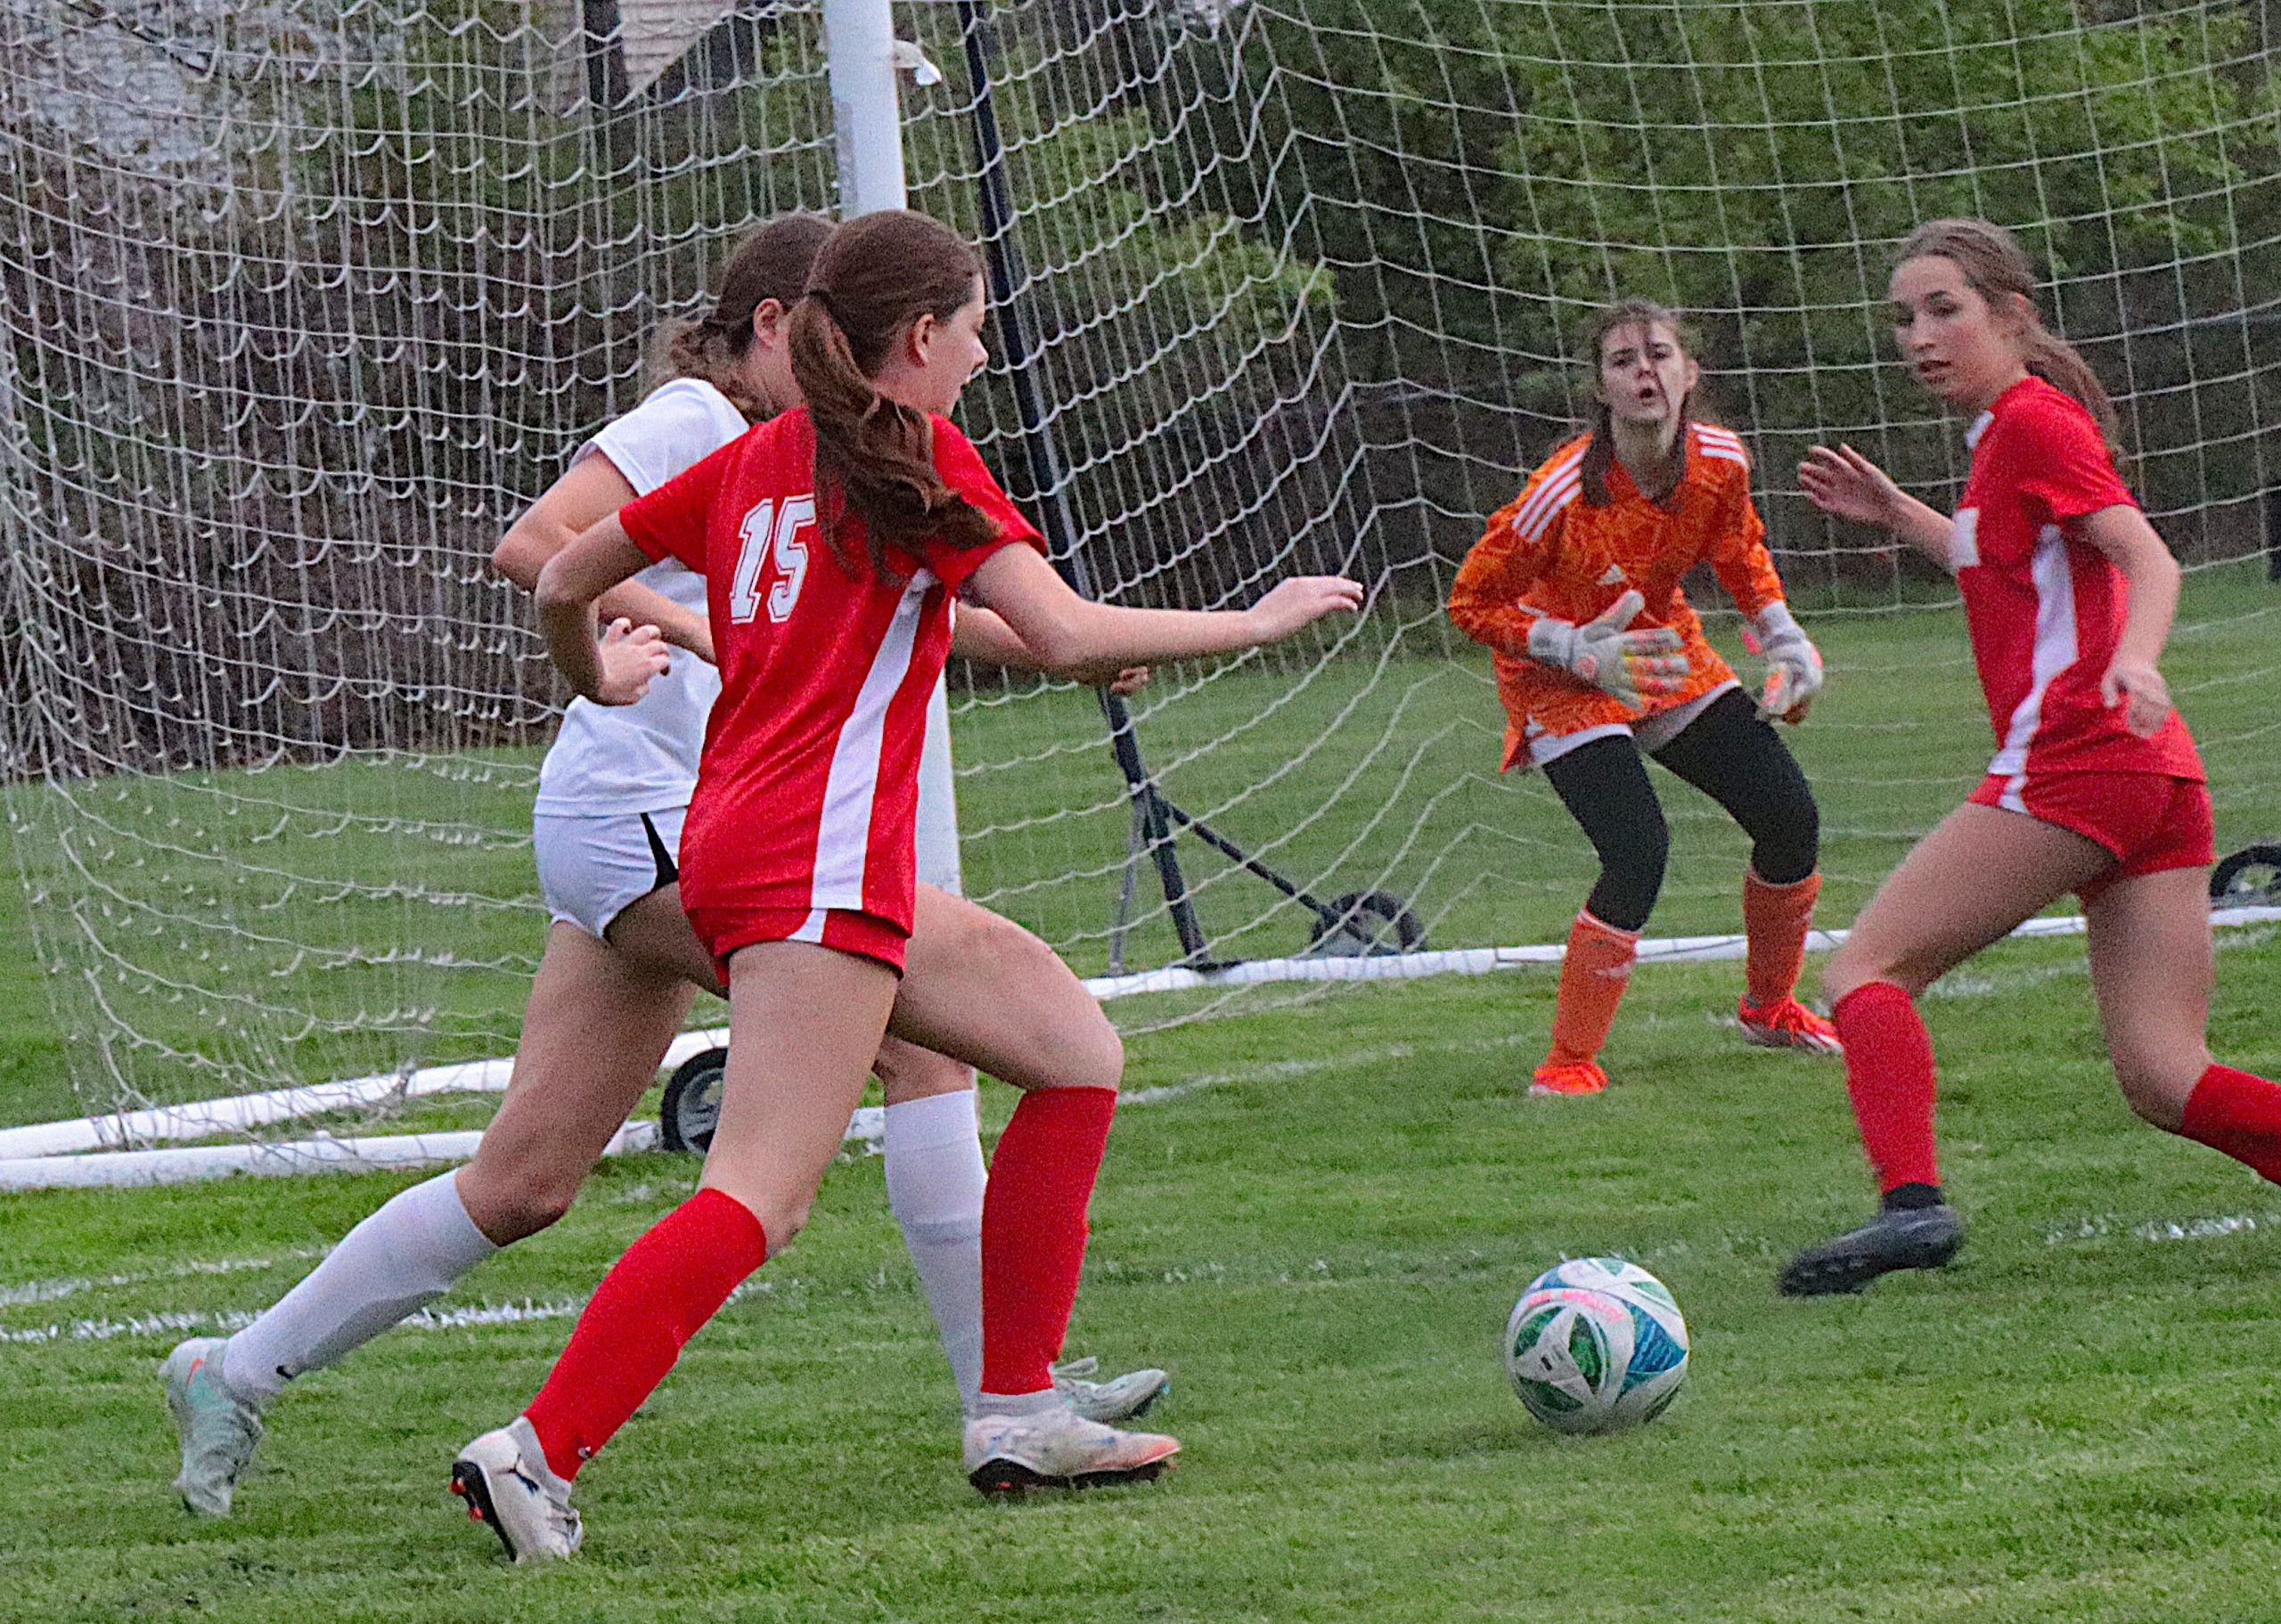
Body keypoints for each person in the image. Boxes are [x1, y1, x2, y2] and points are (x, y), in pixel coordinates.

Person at [159, 214, 1163, 1518]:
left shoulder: (830, 455)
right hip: (667, 808)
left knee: (524, 1179)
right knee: (927, 1053)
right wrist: (677, 628)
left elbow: (899, 597)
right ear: (774, 329)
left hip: (641, 822)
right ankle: (1012, 1400)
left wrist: (1053, 645)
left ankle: (231, 1368)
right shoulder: (705, 419)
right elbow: (542, 547)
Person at [446, 208, 1363, 1562]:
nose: (984, 355)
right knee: (759, 1191)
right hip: (813, 864)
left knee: (1071, 1047)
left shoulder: (764, 454)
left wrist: (592, 669)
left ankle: (1016, 1406)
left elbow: (568, 576)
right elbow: (1056, 630)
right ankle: (536, 1451)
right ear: (919, 338)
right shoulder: (910, 453)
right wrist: (1259, 617)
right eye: (977, 327)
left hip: (753, 844)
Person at [1779, 216, 2281, 1294]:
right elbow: (2001, 555)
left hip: (2079, 760)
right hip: (2156, 777)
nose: (1918, 335)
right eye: (1904, 318)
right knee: (2161, 1074)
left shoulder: (2032, 422)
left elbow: (2146, 558)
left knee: (1865, 968)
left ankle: (1910, 1206)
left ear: (2012, 315)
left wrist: (2137, 659)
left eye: (1944, 309)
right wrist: (1897, 511)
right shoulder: (2004, 436)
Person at [1449, 298, 1839, 1098]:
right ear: (1602, 388)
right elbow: (1469, 602)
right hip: (1559, 675)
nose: (1644, 372)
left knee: (1789, 816)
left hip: (1660, 650)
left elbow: (1739, 549)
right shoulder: (1559, 489)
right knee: (1637, 849)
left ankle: (1769, 1007)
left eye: (1659, 354)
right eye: (1624, 361)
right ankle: (1567, 1063)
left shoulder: (1721, 460)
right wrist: (1572, 647)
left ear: (1689, 372)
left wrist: (1785, 635)